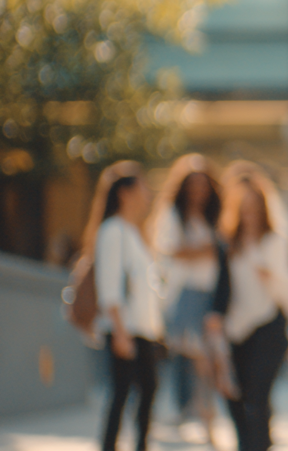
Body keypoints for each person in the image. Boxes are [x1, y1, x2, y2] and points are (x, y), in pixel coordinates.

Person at [206, 163, 288, 451]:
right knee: (236, 400)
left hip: (270, 327)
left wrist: (272, 278)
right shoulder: (228, 244)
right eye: (244, 207)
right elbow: (221, 289)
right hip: (235, 331)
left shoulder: (275, 242)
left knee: (258, 396)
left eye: (255, 207)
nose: (250, 214)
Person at [84, 161, 165, 451]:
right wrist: (119, 332)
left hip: (142, 329)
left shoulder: (135, 233)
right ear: (124, 193)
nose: (147, 194)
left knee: (146, 391)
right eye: (142, 187)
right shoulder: (113, 231)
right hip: (125, 329)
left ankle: (139, 445)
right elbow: (109, 287)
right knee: (122, 395)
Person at [151, 154, 222, 442]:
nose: (197, 190)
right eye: (192, 184)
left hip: (211, 294)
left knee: (209, 359)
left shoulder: (213, 217)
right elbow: (171, 251)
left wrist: (200, 250)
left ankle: (205, 417)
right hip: (185, 295)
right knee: (197, 357)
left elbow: (217, 252)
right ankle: (200, 416)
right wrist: (204, 250)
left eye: (202, 184)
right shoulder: (172, 214)